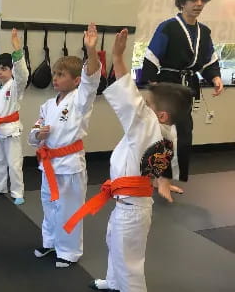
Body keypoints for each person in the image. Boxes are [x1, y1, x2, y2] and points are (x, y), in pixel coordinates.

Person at [65, 29, 192, 292]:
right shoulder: (165, 132)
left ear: (162, 115)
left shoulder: (151, 127)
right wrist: (165, 182)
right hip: (128, 203)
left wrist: (117, 57)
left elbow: (129, 98)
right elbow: (134, 101)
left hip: (133, 208)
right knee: (116, 246)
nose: (144, 108)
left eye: (149, 105)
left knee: (129, 262)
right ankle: (113, 282)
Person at [27, 23, 101, 268]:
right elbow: (33, 133)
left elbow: (91, 81)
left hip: (69, 165)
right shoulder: (48, 105)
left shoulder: (80, 100)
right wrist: (38, 134)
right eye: (55, 74)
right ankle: (49, 242)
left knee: (68, 208)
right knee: (48, 205)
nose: (56, 78)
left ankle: (68, 251)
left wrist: (91, 51)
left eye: (61, 75)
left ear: (76, 80)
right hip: (48, 164)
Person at [141, 0, 224, 193]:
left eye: (202, 0)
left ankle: (166, 179)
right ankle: (157, 179)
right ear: (182, 2)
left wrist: (215, 77)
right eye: (193, 0)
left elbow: (208, 60)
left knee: (183, 135)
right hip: (167, 86)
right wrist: (153, 84)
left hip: (186, 89)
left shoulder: (203, 31)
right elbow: (152, 57)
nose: (198, 4)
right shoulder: (168, 27)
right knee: (162, 134)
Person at [0, 28, 28, 205]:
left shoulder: (15, 87)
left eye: (4, 68)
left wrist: (17, 50)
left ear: (11, 70)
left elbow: (22, 75)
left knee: (14, 163)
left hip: (11, 130)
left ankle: (18, 192)